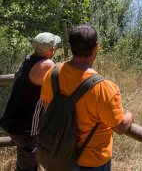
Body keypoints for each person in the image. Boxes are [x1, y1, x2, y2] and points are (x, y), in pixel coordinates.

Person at [40, 24, 133, 170]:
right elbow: (120, 128)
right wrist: (130, 116)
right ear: (96, 47)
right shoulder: (104, 88)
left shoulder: (53, 73)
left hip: (59, 154)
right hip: (91, 161)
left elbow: (47, 106)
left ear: (71, 47)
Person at [0, 32, 61, 171]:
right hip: (25, 128)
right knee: (28, 165)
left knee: (25, 160)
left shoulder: (27, 60)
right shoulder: (48, 64)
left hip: (10, 120)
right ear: (51, 50)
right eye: (55, 46)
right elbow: (49, 100)